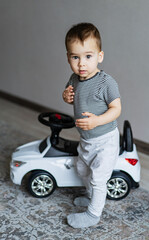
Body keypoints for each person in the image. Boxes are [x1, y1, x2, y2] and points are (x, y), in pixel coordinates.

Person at [62, 23, 121, 228]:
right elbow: (74, 99)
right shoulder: (74, 79)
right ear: (68, 57)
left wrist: (97, 120)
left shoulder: (106, 83)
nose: (81, 64)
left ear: (100, 56)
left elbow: (116, 109)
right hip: (86, 139)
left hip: (105, 140)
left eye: (88, 56)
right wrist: (66, 97)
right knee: (83, 170)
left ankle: (93, 214)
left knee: (98, 178)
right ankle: (91, 197)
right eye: (75, 57)